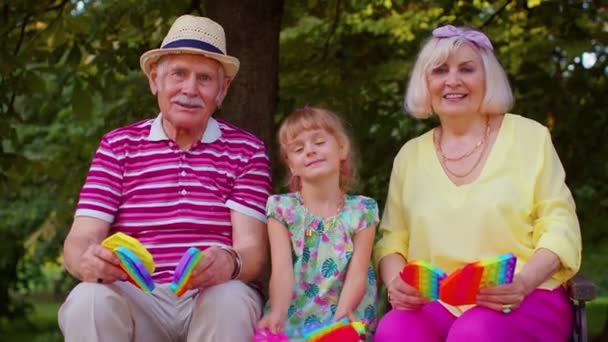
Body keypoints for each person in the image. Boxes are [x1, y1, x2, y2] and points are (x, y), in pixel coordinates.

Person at [58, 15, 272, 342]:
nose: (190, 89)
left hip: (208, 295)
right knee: (87, 300)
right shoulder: (117, 146)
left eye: (204, 78)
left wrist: (230, 261)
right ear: (155, 79)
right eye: (178, 74)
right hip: (135, 297)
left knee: (231, 298)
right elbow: (79, 241)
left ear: (222, 90)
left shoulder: (247, 150)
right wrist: (88, 260)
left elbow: (252, 252)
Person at [373, 25, 582, 342]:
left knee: (474, 332)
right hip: (439, 301)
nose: (452, 80)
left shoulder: (530, 137)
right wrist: (394, 284)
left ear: (488, 79)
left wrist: (523, 283)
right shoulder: (409, 157)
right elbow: (392, 239)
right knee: (395, 329)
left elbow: (559, 224)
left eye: (466, 69)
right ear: (425, 83)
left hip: (525, 294)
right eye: (439, 70)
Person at [256, 106, 379, 341]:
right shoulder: (282, 209)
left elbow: (357, 275)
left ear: (342, 148)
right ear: (291, 165)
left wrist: (341, 321)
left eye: (319, 142)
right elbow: (282, 271)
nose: (310, 151)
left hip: (346, 316)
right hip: (293, 320)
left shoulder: (362, 210)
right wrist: (278, 313)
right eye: (299, 149)